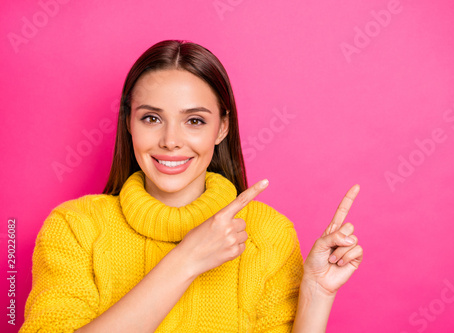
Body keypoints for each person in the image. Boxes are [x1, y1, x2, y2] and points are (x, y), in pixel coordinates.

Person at [20, 40, 363, 333]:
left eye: (194, 120)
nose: (171, 141)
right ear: (129, 124)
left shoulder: (268, 233)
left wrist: (317, 293)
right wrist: (186, 261)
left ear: (222, 128)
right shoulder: (75, 227)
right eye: (151, 118)